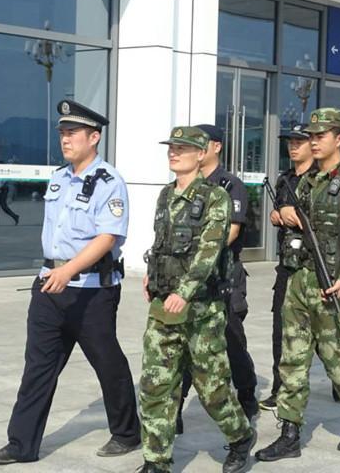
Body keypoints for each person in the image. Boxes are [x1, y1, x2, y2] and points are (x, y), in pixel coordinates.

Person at [0, 100, 139, 465]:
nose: (65, 139)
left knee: (107, 362)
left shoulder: (109, 182)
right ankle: (21, 444)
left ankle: (127, 433)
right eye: (62, 133)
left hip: (91, 292)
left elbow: (107, 237)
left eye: (73, 133)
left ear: (94, 137)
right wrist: (56, 272)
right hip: (49, 285)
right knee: (38, 367)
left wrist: (69, 271)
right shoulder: (58, 178)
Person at [256, 108, 340, 461]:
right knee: (292, 360)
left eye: (320, 136)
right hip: (298, 279)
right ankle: (289, 433)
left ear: (339, 139)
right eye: (312, 136)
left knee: (335, 358)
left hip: (331, 283)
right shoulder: (306, 182)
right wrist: (285, 215)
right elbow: (295, 222)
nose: (314, 141)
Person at [138, 126, 255, 473]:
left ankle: (240, 436)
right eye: (172, 147)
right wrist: (151, 274)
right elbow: (161, 243)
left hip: (201, 308)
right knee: (155, 385)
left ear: (201, 154)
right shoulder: (165, 195)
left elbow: (210, 249)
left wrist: (184, 291)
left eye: (183, 148)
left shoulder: (216, 197)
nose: (174, 153)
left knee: (212, 388)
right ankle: (156, 461)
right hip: (164, 305)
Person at [174, 124, 258, 433]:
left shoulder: (229, 185)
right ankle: (175, 407)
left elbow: (229, 233)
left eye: (202, 143)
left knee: (232, 343)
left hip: (224, 280)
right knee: (182, 345)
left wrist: (197, 255)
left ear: (216, 147)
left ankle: (246, 395)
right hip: (188, 282)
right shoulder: (183, 186)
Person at [260, 124, 317, 411]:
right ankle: (279, 389)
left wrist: (294, 215)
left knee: (327, 335)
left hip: (315, 266)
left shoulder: (319, 180)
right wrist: (276, 214)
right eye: (290, 142)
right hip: (287, 265)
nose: (293, 146)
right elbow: (283, 215)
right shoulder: (284, 180)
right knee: (280, 331)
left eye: (299, 142)